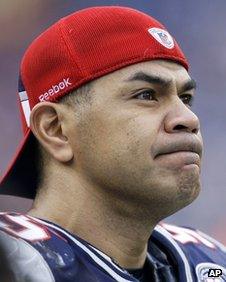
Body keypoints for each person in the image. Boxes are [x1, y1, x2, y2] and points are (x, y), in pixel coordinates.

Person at [0, 6, 225, 282]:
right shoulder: (13, 261)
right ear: (56, 129)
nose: (188, 119)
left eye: (186, 98)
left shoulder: (210, 263)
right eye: (147, 95)